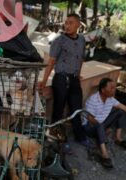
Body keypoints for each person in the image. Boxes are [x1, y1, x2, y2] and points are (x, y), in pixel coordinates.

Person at [39, 13, 87, 145]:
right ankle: (54, 138)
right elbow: (51, 61)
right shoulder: (59, 40)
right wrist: (44, 80)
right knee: (58, 109)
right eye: (66, 23)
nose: (67, 26)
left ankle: (80, 137)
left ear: (78, 24)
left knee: (77, 108)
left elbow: (81, 58)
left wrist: (78, 72)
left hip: (74, 79)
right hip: (61, 79)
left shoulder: (82, 40)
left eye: (71, 23)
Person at [83, 78, 126, 168]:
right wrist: (101, 128)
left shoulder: (110, 99)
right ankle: (104, 154)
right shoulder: (93, 99)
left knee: (120, 112)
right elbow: (90, 119)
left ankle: (118, 138)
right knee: (99, 124)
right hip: (90, 127)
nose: (114, 90)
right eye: (111, 88)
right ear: (103, 90)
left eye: (114, 88)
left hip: (101, 124)